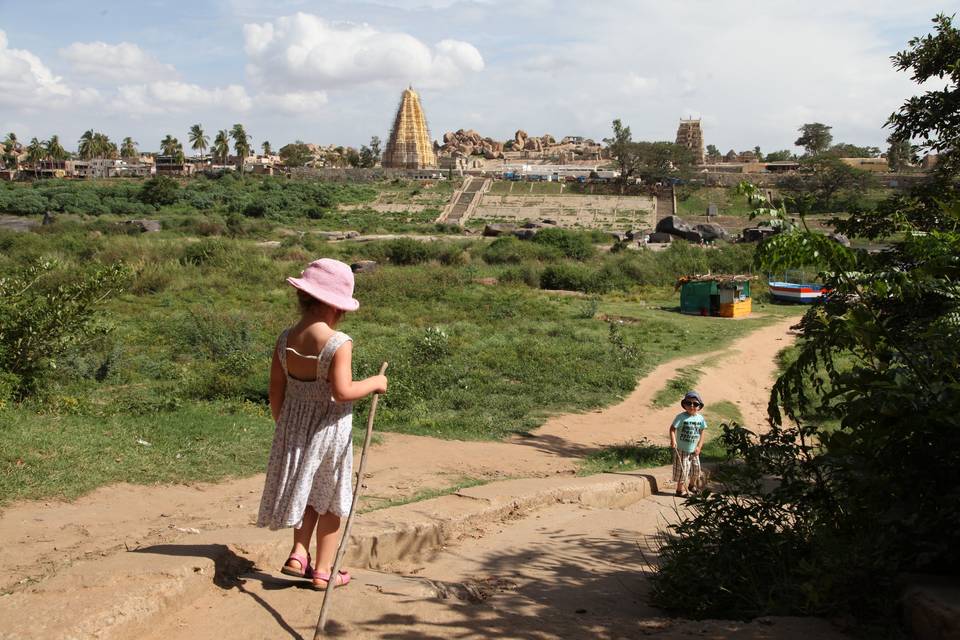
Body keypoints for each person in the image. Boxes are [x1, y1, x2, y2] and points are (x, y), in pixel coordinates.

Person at [256, 258, 388, 590]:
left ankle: (299, 553)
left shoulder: (285, 338)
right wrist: (375, 382)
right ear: (336, 306)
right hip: (329, 430)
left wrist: (284, 425)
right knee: (330, 498)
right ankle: (324, 570)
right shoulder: (338, 342)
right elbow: (342, 392)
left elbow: (276, 389)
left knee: (306, 488)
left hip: (294, 425)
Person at [670, 390, 707, 497]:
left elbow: (702, 431)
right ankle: (679, 490)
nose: (692, 406)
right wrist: (673, 440)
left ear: (699, 406)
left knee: (696, 469)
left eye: (695, 404)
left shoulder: (700, 419)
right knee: (683, 470)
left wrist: (699, 447)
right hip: (682, 449)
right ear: (684, 405)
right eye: (689, 403)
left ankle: (691, 485)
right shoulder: (681, 417)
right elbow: (672, 429)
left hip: (694, 450)